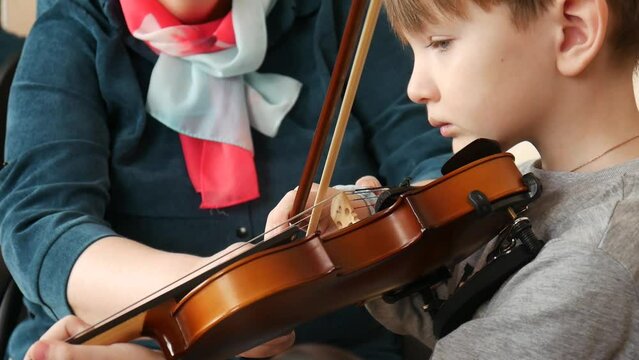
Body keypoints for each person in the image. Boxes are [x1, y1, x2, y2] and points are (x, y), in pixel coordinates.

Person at [0, 0, 452, 359]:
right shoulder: (72, 27)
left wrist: (366, 211)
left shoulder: (340, 12)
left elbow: (430, 159)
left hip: (334, 349)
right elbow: (42, 229)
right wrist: (218, 297)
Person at [355, 0, 637, 358]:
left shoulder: (588, 260)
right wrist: (363, 246)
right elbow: (474, 315)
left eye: (441, 43)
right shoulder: (539, 187)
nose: (415, 88)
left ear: (572, 32)